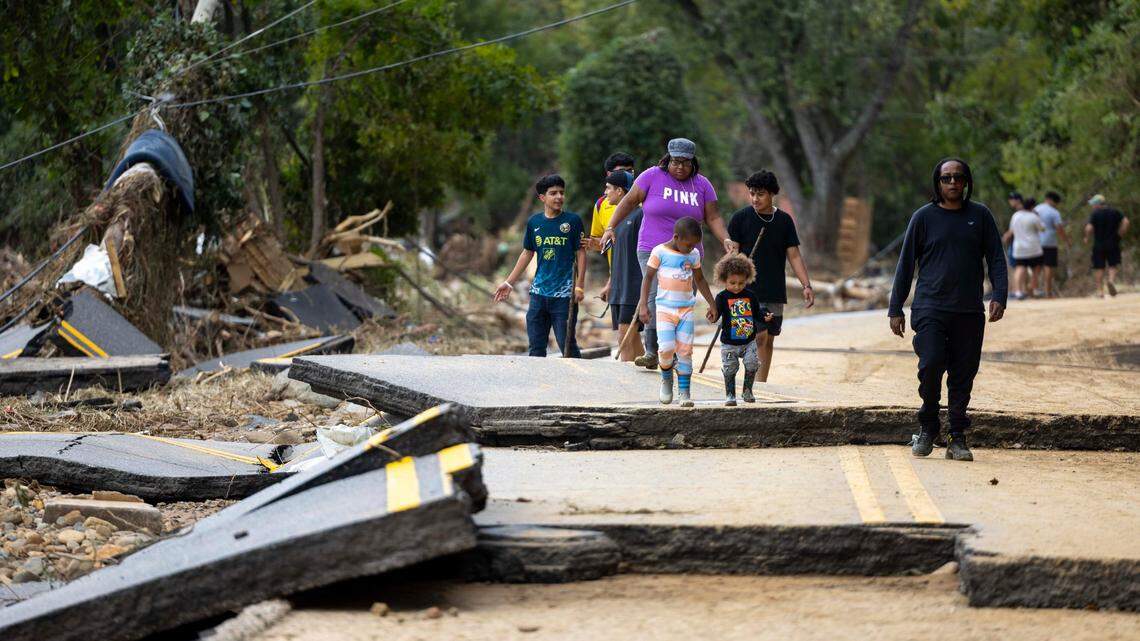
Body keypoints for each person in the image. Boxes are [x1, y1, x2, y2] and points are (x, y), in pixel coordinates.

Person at [889, 157, 1008, 462]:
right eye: (946, 178)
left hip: (968, 310)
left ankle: (957, 436)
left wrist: (1000, 295)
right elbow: (905, 265)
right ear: (937, 183)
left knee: (962, 374)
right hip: (930, 305)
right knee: (930, 364)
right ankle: (928, 426)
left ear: (966, 182)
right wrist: (896, 308)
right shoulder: (923, 217)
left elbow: (995, 257)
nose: (952, 183)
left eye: (958, 178)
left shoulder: (980, 216)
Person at [600, 138, 739, 370]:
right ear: (668, 159)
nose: (680, 167)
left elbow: (713, 217)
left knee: (682, 301)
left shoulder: (702, 185)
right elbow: (629, 201)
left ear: (693, 162)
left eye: (685, 163)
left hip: (688, 253)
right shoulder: (651, 176)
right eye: (676, 162)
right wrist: (610, 227)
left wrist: (724, 237)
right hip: (652, 248)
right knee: (657, 297)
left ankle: (674, 352)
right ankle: (653, 351)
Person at [726, 170, 814, 383]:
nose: (755, 199)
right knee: (755, 336)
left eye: (761, 194)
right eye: (752, 194)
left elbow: (793, 255)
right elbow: (732, 255)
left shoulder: (784, 221)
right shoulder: (740, 219)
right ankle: (747, 381)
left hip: (774, 289)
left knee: (769, 338)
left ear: (772, 194)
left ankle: (761, 384)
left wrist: (806, 285)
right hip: (744, 289)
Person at [494, 174, 584, 357]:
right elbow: (527, 252)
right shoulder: (534, 222)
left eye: (561, 193)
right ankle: (536, 384)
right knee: (536, 348)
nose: (559, 197)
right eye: (553, 193)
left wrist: (580, 286)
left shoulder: (573, 222)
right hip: (538, 295)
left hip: (564, 297)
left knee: (567, 346)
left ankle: (578, 384)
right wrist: (509, 282)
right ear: (542, 197)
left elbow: (581, 253)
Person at [637, 217, 717, 407]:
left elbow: (701, 279)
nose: (691, 249)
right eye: (688, 245)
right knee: (665, 349)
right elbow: (647, 278)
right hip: (664, 309)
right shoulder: (659, 252)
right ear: (676, 237)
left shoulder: (694, 254)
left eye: (694, 245)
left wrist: (713, 304)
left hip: (686, 310)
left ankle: (684, 393)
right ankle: (666, 380)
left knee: (685, 351)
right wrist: (643, 305)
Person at [713, 253, 773, 406]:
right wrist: (711, 316)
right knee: (730, 368)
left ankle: (747, 390)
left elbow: (757, 314)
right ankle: (730, 395)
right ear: (724, 280)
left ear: (747, 279)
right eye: (732, 283)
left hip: (748, 341)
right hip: (729, 343)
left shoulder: (751, 296)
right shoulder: (722, 297)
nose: (737, 287)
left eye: (741, 283)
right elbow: (716, 314)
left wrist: (764, 317)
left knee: (752, 363)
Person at [598, 171, 644, 361]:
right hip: (619, 288)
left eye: (608, 188)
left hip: (633, 289)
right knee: (632, 341)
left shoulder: (641, 215)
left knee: (623, 339)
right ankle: (649, 374)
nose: (605, 192)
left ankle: (625, 386)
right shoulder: (615, 222)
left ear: (619, 190)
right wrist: (610, 284)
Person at [589, 152, 637, 266]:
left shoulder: (645, 202)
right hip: (617, 275)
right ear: (609, 174)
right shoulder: (601, 205)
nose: (627, 175)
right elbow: (599, 241)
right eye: (622, 171)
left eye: (630, 171)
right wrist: (589, 244)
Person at [1084, 194, 1130, 297]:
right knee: (1113, 264)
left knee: (1099, 267)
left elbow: (1088, 228)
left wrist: (1087, 237)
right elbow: (1126, 222)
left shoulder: (1095, 214)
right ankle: (1111, 280)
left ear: (1097, 204)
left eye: (1093, 204)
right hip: (1113, 242)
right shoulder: (1115, 212)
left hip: (1098, 244)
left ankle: (1100, 291)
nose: (1092, 206)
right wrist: (1119, 234)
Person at [1003, 197, 1045, 299]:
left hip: (1019, 248)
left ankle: (1018, 291)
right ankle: (1034, 288)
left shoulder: (1016, 216)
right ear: (1032, 206)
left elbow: (1011, 230)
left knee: (1020, 268)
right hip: (1033, 248)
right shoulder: (1033, 216)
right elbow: (1042, 229)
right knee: (1036, 268)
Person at [1034, 191, 1067, 297]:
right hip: (1050, 242)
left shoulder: (1035, 209)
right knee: (1049, 267)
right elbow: (1059, 228)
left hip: (1036, 242)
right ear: (1052, 200)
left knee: (1037, 267)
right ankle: (1048, 292)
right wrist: (1065, 240)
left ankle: (1033, 290)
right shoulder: (1054, 212)